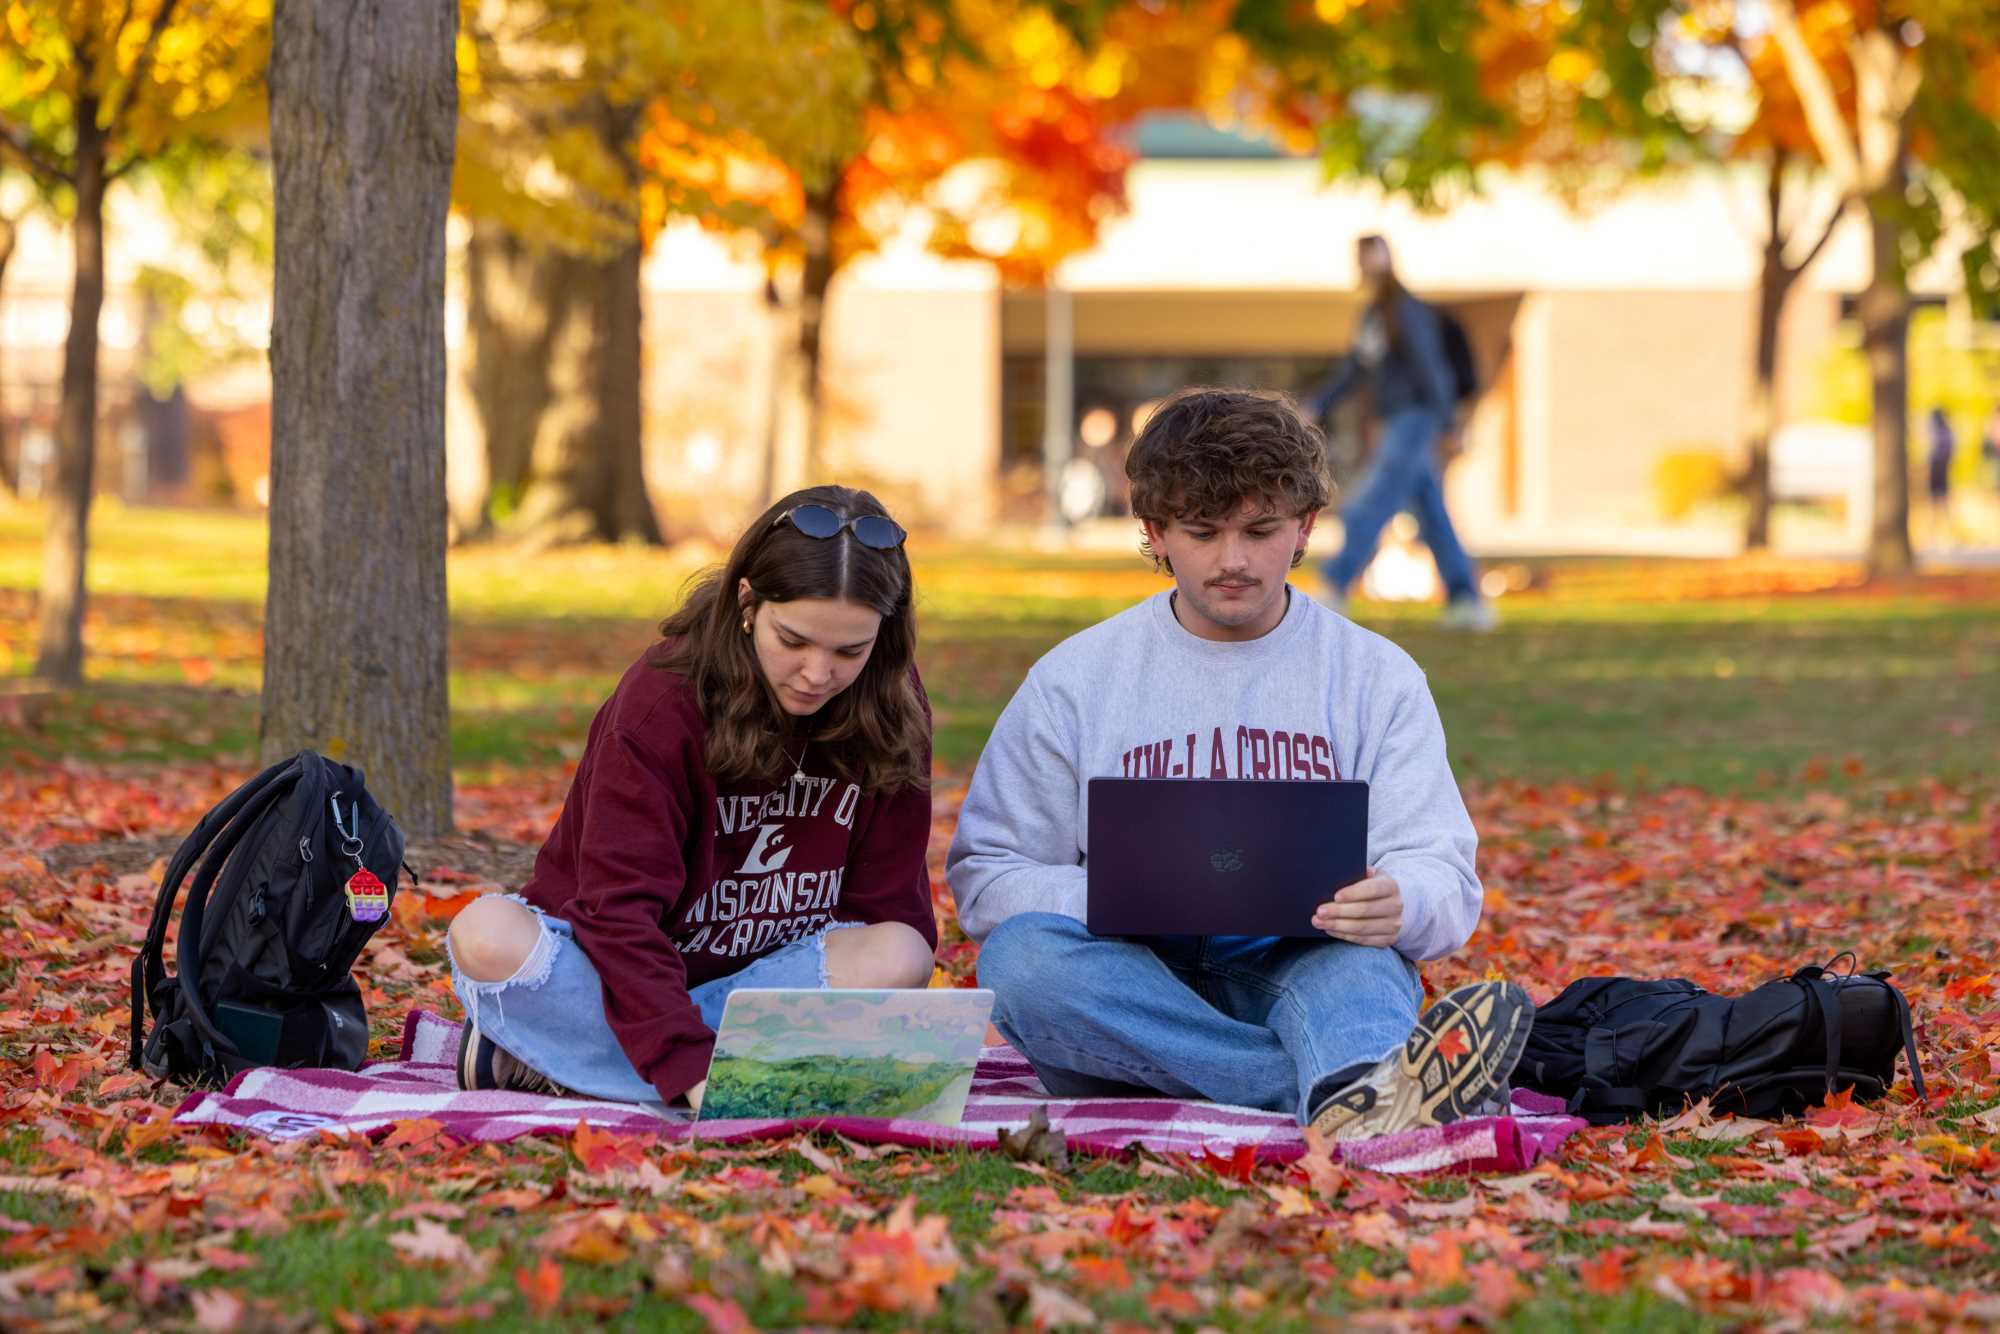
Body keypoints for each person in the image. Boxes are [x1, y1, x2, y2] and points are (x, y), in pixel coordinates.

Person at [946, 389, 1530, 1142]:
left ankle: (1341, 1087)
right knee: (1023, 962)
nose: (1233, 561)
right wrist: (1116, 896)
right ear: (1155, 532)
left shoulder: (1374, 676)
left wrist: (1402, 900)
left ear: (1305, 526)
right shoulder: (1076, 679)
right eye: (1202, 532)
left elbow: (1441, 868)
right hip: (1127, 983)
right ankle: (1345, 1094)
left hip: (1302, 961)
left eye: (1260, 531)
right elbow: (987, 874)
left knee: (1363, 968)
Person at [446, 485, 938, 1110]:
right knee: (485, 933)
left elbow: (884, 907)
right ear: (747, 603)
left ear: (883, 635)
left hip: (767, 985)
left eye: (850, 651)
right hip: (612, 973)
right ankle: (729, 1067)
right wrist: (692, 1072)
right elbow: (617, 916)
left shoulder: (891, 704)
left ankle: (559, 1058)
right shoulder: (661, 704)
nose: (818, 674)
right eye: (793, 641)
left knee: (900, 952)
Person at [1307, 234, 1493, 631]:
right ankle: (1466, 600)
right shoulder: (1374, 316)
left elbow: (1431, 368)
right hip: (1396, 419)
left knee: (1373, 500)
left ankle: (1336, 583)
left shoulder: (1406, 310)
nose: (1368, 264)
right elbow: (1355, 370)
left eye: (1373, 256)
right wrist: (1318, 404)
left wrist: (1449, 422)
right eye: (1363, 257)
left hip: (1416, 418)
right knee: (1431, 511)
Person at [1927, 407, 1956, 510]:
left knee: (1940, 486)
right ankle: (1938, 508)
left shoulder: (1942, 429)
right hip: (1939, 462)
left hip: (1939, 462)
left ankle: (1941, 507)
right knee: (1938, 486)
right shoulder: (1943, 429)